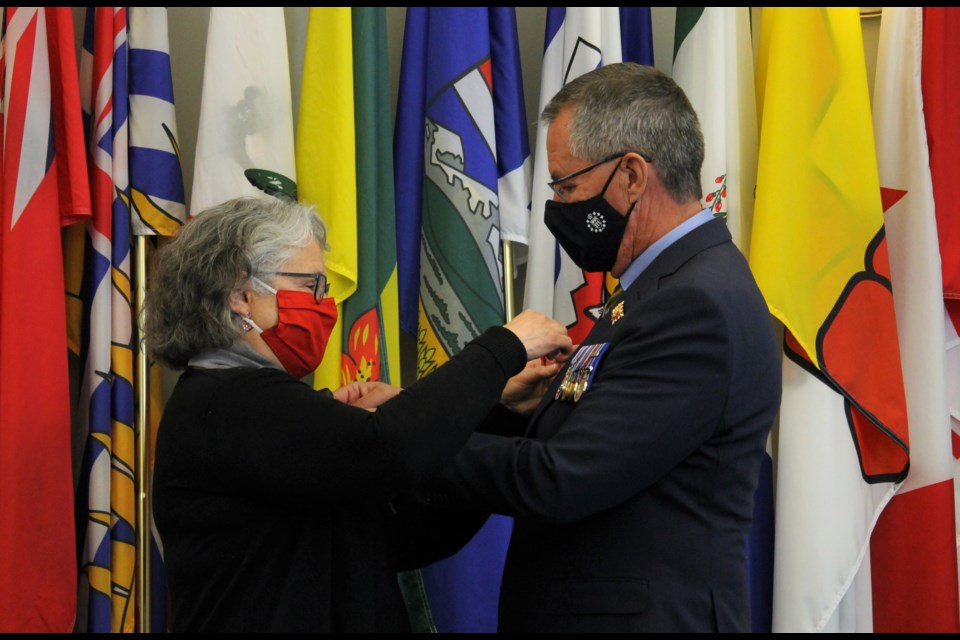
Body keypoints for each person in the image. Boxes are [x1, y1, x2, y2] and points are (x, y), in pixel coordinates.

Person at [424, 62, 783, 632]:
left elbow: (561, 478)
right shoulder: (660, 287)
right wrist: (519, 409)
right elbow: (599, 443)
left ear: (633, 176)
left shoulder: (695, 305)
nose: (559, 208)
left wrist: (409, 437)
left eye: (568, 186)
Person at [144, 196, 571, 633]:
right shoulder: (226, 402)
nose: (324, 306)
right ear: (240, 295)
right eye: (311, 286)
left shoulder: (251, 404)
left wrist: (500, 411)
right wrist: (503, 346)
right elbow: (391, 448)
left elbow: (408, 537)